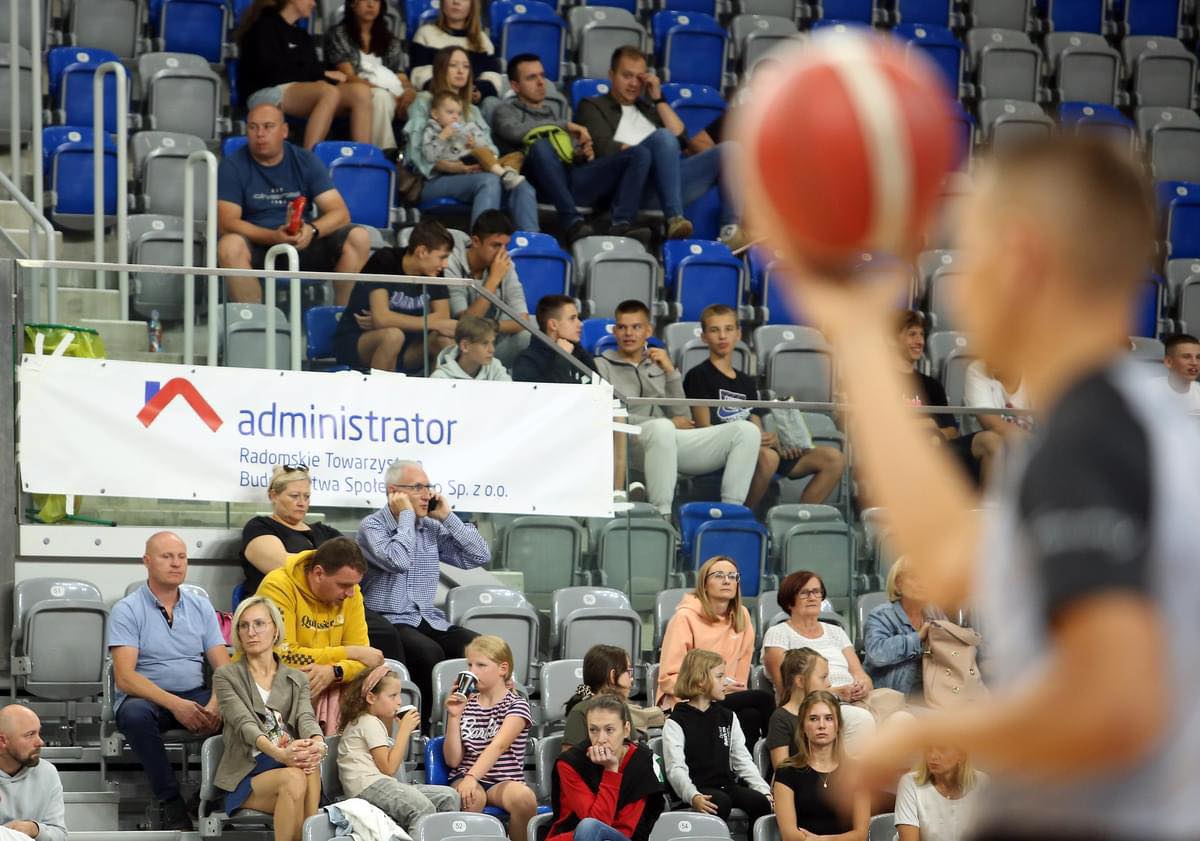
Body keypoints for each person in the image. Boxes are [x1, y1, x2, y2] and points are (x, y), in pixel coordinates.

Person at [768, 136, 1199, 841]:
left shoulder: (1095, 435)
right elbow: (948, 554)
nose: (956, 286)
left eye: (970, 255)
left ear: (1022, 257)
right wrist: (853, 330)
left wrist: (913, 739)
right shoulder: (1123, 416)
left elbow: (1111, 705)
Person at [109, 531, 232, 830]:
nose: (176, 563)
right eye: (167, 556)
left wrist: (216, 703)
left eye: (181, 556)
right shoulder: (127, 609)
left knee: (239, 710)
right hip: (147, 699)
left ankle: (215, 795)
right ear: (147, 561)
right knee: (134, 715)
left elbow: (224, 668)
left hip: (196, 694)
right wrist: (177, 705)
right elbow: (125, 678)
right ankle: (170, 801)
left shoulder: (201, 606)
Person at [595, 300, 761, 516]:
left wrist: (670, 372)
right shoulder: (601, 365)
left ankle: (730, 512)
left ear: (648, 330)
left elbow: (682, 417)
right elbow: (605, 418)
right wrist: (664, 423)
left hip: (668, 442)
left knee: (746, 430)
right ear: (615, 331)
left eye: (636, 327)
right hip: (628, 443)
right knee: (663, 427)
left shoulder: (658, 365)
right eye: (623, 327)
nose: (629, 333)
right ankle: (662, 515)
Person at [358, 459, 490, 719]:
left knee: (482, 649)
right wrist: (406, 516)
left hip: (427, 617)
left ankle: (469, 726)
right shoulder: (372, 527)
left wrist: (447, 517)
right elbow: (399, 560)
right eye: (418, 487)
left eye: (428, 487)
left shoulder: (430, 527)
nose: (427, 494)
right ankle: (421, 730)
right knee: (429, 653)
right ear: (393, 491)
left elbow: (479, 555)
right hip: (389, 620)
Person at [685, 303, 845, 511]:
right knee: (768, 458)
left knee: (833, 458)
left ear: (738, 334)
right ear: (704, 337)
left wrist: (774, 440)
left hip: (755, 447)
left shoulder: (746, 381)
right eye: (715, 330)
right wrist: (755, 440)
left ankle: (796, 520)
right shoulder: (698, 375)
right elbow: (704, 429)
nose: (722, 336)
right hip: (723, 450)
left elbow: (755, 423)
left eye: (729, 329)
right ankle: (742, 515)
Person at [575, 46, 739, 244]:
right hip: (622, 189)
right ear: (611, 75)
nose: (634, 83)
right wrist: (653, 150)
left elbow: (681, 140)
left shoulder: (648, 110)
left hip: (662, 187)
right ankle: (674, 218)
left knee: (730, 150)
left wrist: (658, 98)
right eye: (627, 76)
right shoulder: (592, 105)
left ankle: (731, 229)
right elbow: (604, 149)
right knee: (661, 137)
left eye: (639, 78)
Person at [217, 101, 371, 306]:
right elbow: (226, 223)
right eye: (253, 127)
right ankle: (254, 325)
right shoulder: (232, 165)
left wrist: (312, 231)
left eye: (268, 126)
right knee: (229, 246)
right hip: (258, 244)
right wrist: (272, 236)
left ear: (284, 131)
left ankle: (342, 319)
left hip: (302, 241)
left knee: (358, 236)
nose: (260, 134)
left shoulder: (304, 159)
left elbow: (340, 213)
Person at [491, 55, 653, 245]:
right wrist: (565, 125)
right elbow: (515, 133)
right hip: (536, 183)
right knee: (540, 145)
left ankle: (622, 223)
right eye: (531, 78)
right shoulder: (505, 111)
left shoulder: (552, 113)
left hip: (568, 179)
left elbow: (567, 156)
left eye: (542, 76)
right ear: (515, 86)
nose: (541, 82)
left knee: (639, 153)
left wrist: (582, 155)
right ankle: (572, 222)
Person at [213, 596, 324, 841]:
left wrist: (318, 744)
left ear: (275, 629)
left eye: (259, 624)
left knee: (308, 764)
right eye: (244, 625)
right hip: (247, 774)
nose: (251, 632)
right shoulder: (226, 676)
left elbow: (306, 718)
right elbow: (245, 725)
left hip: (288, 766)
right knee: (296, 773)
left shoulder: (296, 678)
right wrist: (281, 754)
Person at [256, 537, 385, 726]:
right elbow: (282, 656)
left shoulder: (353, 593)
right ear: (318, 573)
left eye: (354, 585)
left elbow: (366, 661)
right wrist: (348, 653)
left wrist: (335, 671)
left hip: (326, 685)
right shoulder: (278, 587)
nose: (350, 593)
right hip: (274, 685)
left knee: (383, 687)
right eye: (343, 585)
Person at [404, 47, 537, 230]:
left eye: (466, 66)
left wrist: (481, 155)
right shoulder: (424, 101)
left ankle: (531, 251)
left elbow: (491, 150)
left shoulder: (472, 110)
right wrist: (451, 167)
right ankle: (482, 246)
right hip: (433, 179)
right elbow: (414, 154)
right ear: (441, 69)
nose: (461, 71)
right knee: (488, 181)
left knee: (523, 186)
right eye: (453, 65)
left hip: (474, 173)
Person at [658, 556, 775, 745]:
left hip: (726, 697)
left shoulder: (742, 616)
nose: (727, 580)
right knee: (764, 699)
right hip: (690, 698)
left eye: (732, 576)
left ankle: (744, 773)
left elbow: (740, 677)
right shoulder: (684, 618)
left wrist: (727, 689)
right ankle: (781, 765)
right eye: (719, 575)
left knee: (750, 716)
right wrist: (712, 687)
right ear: (704, 584)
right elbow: (668, 678)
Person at [761, 572, 877, 751]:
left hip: (854, 700)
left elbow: (860, 674)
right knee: (861, 719)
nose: (813, 597)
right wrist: (835, 693)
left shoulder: (836, 631)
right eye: (805, 593)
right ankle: (855, 777)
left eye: (817, 592)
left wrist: (862, 686)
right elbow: (789, 690)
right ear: (789, 600)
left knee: (902, 718)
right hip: (815, 706)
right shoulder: (778, 634)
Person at [235, 0, 371, 149]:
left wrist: (324, 76)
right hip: (263, 92)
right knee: (327, 92)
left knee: (360, 92)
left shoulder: (303, 36)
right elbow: (271, 73)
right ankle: (309, 159)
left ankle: (363, 160)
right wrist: (319, 75)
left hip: (298, 90)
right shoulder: (263, 27)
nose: (313, 4)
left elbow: (313, 74)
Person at [336, 667, 460, 830]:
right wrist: (404, 731)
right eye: (392, 695)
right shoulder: (368, 722)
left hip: (382, 783)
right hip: (367, 787)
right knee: (422, 808)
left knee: (449, 796)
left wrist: (402, 731)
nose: (399, 701)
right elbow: (388, 768)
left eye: (399, 694)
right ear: (371, 698)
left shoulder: (374, 721)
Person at [444, 636, 538, 841]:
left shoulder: (517, 705)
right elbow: (453, 760)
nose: (472, 671)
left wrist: (472, 777)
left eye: (481, 665)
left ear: (503, 669)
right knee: (471, 798)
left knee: (525, 798)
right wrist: (453, 716)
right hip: (465, 776)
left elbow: (498, 745)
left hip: (503, 781)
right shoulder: (465, 703)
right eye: (470, 664)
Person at [662, 649, 772, 823]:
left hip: (726, 786)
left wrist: (763, 789)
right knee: (719, 802)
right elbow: (675, 768)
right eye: (720, 677)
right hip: (697, 788)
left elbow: (742, 759)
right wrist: (693, 795)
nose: (725, 682)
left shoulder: (728, 716)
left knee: (760, 802)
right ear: (700, 681)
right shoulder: (676, 721)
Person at [332, 219, 457, 372]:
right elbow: (382, 319)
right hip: (359, 341)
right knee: (393, 336)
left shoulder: (433, 271)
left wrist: (392, 319)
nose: (445, 265)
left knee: (443, 341)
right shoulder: (384, 261)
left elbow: (443, 318)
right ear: (422, 251)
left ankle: (435, 394)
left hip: (407, 347)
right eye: (442, 257)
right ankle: (379, 395)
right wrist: (430, 322)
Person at [895, 310, 1002, 486]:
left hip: (940, 447)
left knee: (991, 440)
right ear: (892, 340)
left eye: (922, 334)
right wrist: (920, 427)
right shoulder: (882, 382)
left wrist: (933, 430)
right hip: (899, 449)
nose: (920, 341)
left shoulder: (932, 385)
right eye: (912, 334)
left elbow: (952, 430)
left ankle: (985, 510)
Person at [550, 694, 665, 841]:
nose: (601, 739)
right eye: (593, 730)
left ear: (626, 729)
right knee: (588, 827)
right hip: (573, 837)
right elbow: (594, 828)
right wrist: (611, 770)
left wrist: (611, 769)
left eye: (609, 730)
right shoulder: (570, 763)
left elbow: (626, 829)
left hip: (621, 837)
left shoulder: (641, 761)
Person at [772, 690, 869, 841]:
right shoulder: (786, 772)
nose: (822, 725)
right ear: (803, 726)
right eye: (813, 719)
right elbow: (789, 834)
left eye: (829, 718)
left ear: (838, 725)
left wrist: (823, 840)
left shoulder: (857, 771)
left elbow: (861, 834)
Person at [323, 0, 417, 150]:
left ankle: (415, 162)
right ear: (353, 4)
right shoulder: (339, 34)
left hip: (391, 93)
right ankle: (384, 152)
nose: (371, 5)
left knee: (422, 100)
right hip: (353, 91)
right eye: (365, 0)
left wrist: (409, 91)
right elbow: (348, 76)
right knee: (380, 96)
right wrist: (389, 92)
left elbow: (400, 75)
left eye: (376, 1)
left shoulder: (390, 40)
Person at [445, 210, 532, 368]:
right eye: (496, 245)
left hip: (491, 344)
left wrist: (492, 325)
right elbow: (466, 324)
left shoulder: (505, 265)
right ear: (476, 241)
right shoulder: (451, 263)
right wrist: (493, 280)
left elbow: (523, 321)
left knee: (527, 336)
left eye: (505, 246)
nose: (502, 252)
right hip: (459, 345)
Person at [241, 465, 344, 596]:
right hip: (276, 604)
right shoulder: (259, 527)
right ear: (273, 496)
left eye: (306, 497)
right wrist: (333, 568)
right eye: (294, 496)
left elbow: (351, 563)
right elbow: (283, 566)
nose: (302, 503)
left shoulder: (326, 532)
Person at [864, 558, 945, 699]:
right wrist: (918, 637)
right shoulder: (881, 615)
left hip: (933, 693)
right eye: (915, 577)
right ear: (898, 584)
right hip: (894, 697)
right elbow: (876, 654)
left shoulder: (935, 613)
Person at [562, 645, 666, 750]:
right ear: (613, 676)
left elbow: (633, 753)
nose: (632, 680)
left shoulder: (621, 707)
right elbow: (568, 761)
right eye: (628, 672)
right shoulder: (579, 712)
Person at [423, 91, 525, 189]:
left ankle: (508, 175)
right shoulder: (431, 131)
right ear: (435, 114)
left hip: (480, 162)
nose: (455, 117)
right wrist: (442, 137)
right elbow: (430, 157)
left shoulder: (467, 128)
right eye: (450, 112)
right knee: (479, 152)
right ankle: (503, 174)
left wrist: (474, 144)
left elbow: (486, 147)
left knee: (517, 155)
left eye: (459, 113)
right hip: (457, 165)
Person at [408, 0, 504, 100]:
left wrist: (477, 91)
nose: (456, 2)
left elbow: (493, 77)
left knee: (491, 102)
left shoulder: (482, 40)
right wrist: (452, 91)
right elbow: (420, 75)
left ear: (472, 5)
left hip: (474, 101)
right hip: (437, 98)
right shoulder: (426, 34)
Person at [895, 746, 988, 841]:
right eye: (929, 749)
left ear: (961, 755)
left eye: (942, 749)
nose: (933, 756)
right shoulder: (910, 783)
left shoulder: (983, 783)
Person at [0, 706, 65, 841]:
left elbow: (60, 835)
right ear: (3, 741)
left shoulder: (47, 773)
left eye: (39, 733)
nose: (40, 742)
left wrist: (34, 829)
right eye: (30, 735)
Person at [766, 647, 829, 770]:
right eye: (823, 677)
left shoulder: (828, 712)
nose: (829, 683)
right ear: (800, 681)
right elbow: (781, 769)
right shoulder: (781, 718)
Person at [511, 295, 597, 384]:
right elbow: (552, 395)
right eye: (572, 318)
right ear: (553, 325)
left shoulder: (578, 351)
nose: (580, 324)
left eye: (578, 318)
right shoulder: (527, 361)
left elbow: (601, 389)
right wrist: (563, 357)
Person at [963, 359, 1034, 442]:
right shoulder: (977, 370)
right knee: (991, 442)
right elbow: (993, 425)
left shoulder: (1036, 372)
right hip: (994, 447)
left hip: (1032, 447)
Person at [431, 316, 511, 380]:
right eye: (485, 344)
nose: (492, 350)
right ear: (465, 346)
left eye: (492, 343)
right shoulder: (440, 378)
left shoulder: (495, 366)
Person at [1153, 332, 1200, 412]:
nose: (1194, 363)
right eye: (1186, 357)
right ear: (1168, 362)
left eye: (1198, 357)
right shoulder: (1146, 392)